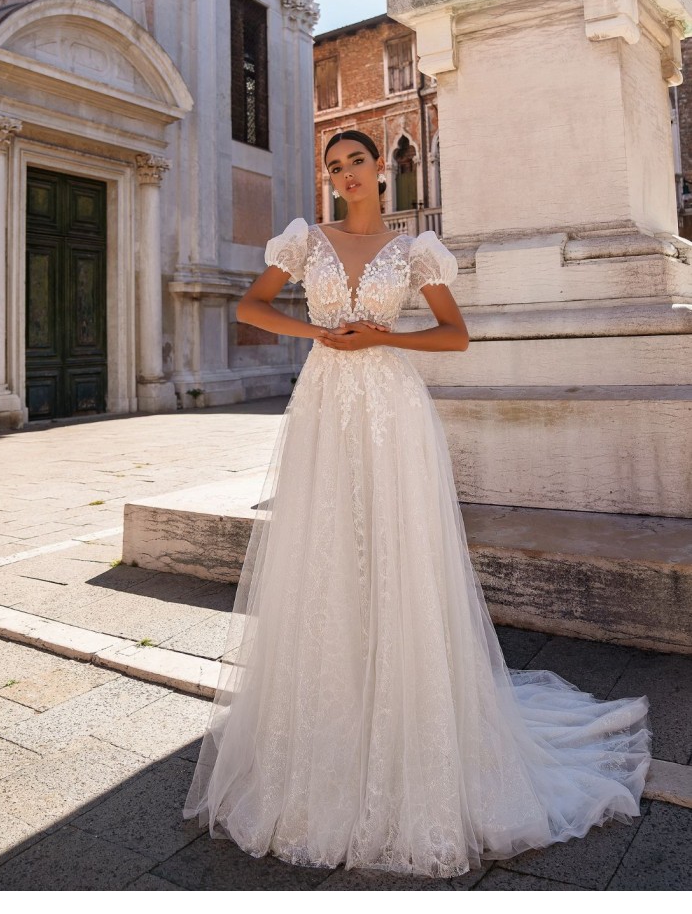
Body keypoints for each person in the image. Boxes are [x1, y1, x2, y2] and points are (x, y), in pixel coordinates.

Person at [182, 129, 651, 879]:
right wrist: (317, 332)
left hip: (393, 409)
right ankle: (335, 709)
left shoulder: (414, 252)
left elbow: (455, 336)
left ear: (380, 168)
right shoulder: (307, 242)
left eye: (356, 162)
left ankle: (409, 707)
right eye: (334, 168)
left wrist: (383, 334)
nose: (345, 176)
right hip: (326, 405)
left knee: (397, 549)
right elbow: (253, 308)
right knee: (328, 547)